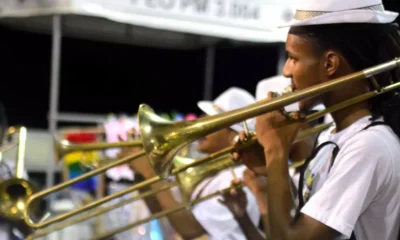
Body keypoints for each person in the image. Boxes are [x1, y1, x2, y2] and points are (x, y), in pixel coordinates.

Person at [234, 0, 400, 239]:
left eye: (293, 58)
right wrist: (272, 170)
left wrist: (276, 151)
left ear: (330, 64)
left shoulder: (368, 145)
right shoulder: (332, 134)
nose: (286, 72)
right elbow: (295, 222)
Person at [119, 87, 261, 240]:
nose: (200, 124)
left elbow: (191, 230)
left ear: (232, 132)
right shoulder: (212, 174)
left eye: (209, 120)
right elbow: (159, 210)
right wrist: (139, 171)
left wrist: (150, 172)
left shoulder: (239, 178)